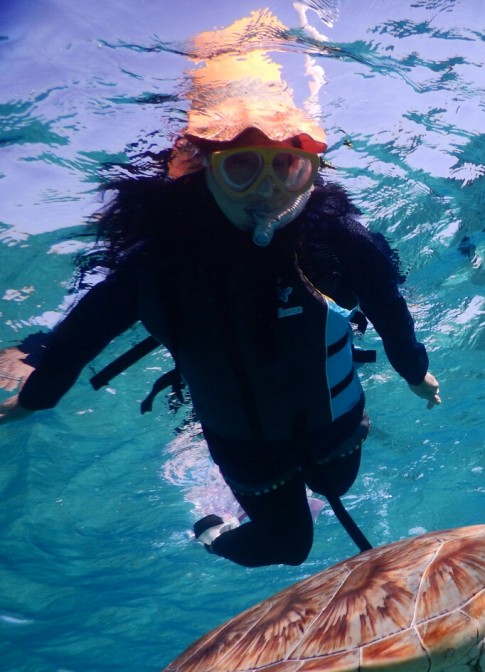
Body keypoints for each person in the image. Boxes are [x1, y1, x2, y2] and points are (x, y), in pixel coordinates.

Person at [0, 12, 441, 567]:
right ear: (206, 171)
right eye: (241, 171)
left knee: (338, 484)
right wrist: (37, 397)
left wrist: (412, 369)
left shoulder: (335, 236)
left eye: (288, 168)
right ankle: (210, 526)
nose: (268, 190)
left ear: (312, 171)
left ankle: (307, 479)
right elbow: (84, 331)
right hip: (246, 449)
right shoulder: (162, 261)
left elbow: (387, 303)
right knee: (289, 546)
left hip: (337, 428)